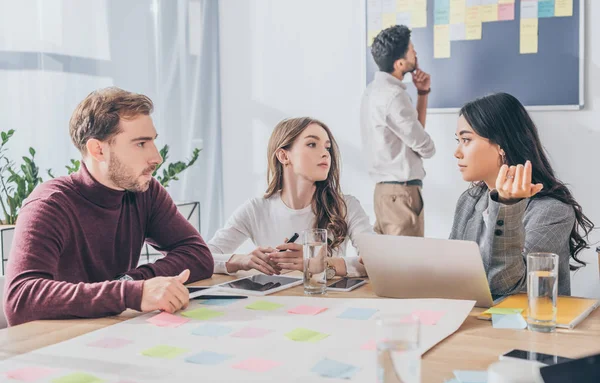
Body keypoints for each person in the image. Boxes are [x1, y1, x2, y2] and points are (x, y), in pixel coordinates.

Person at [4, 87, 214, 326]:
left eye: (153, 141)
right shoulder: (49, 205)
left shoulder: (145, 193)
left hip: (112, 332)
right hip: (56, 345)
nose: (157, 157)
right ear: (98, 149)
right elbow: (20, 300)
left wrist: (132, 280)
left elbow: (198, 255)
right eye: (141, 144)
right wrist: (131, 293)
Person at [451, 93, 593, 296]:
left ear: (501, 145)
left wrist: (507, 207)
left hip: (526, 324)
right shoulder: (469, 201)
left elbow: (508, 286)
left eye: (466, 140)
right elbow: (452, 274)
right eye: (458, 140)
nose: (457, 152)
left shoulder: (553, 211)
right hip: (471, 318)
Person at [208, 117, 372, 278]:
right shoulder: (255, 209)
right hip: (276, 301)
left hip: (329, 299)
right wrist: (240, 260)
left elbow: (375, 262)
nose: (325, 154)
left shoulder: (346, 206)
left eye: (327, 147)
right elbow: (201, 256)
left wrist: (323, 264)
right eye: (312, 144)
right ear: (284, 156)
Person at [361, 24, 436, 237]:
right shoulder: (393, 96)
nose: (416, 54)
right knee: (407, 266)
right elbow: (426, 147)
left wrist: (423, 94)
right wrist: (428, 146)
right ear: (400, 63)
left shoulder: (373, 91)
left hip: (386, 193)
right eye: (412, 50)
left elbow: (412, 134)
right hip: (401, 194)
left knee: (389, 264)